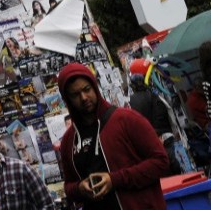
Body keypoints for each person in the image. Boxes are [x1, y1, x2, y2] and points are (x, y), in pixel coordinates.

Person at [57, 62, 169, 209]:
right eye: (75, 95)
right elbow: (68, 186)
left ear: (95, 87)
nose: (84, 97)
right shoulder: (68, 141)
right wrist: (79, 188)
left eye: (87, 89)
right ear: (67, 100)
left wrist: (114, 179)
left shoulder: (127, 119)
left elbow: (160, 162)